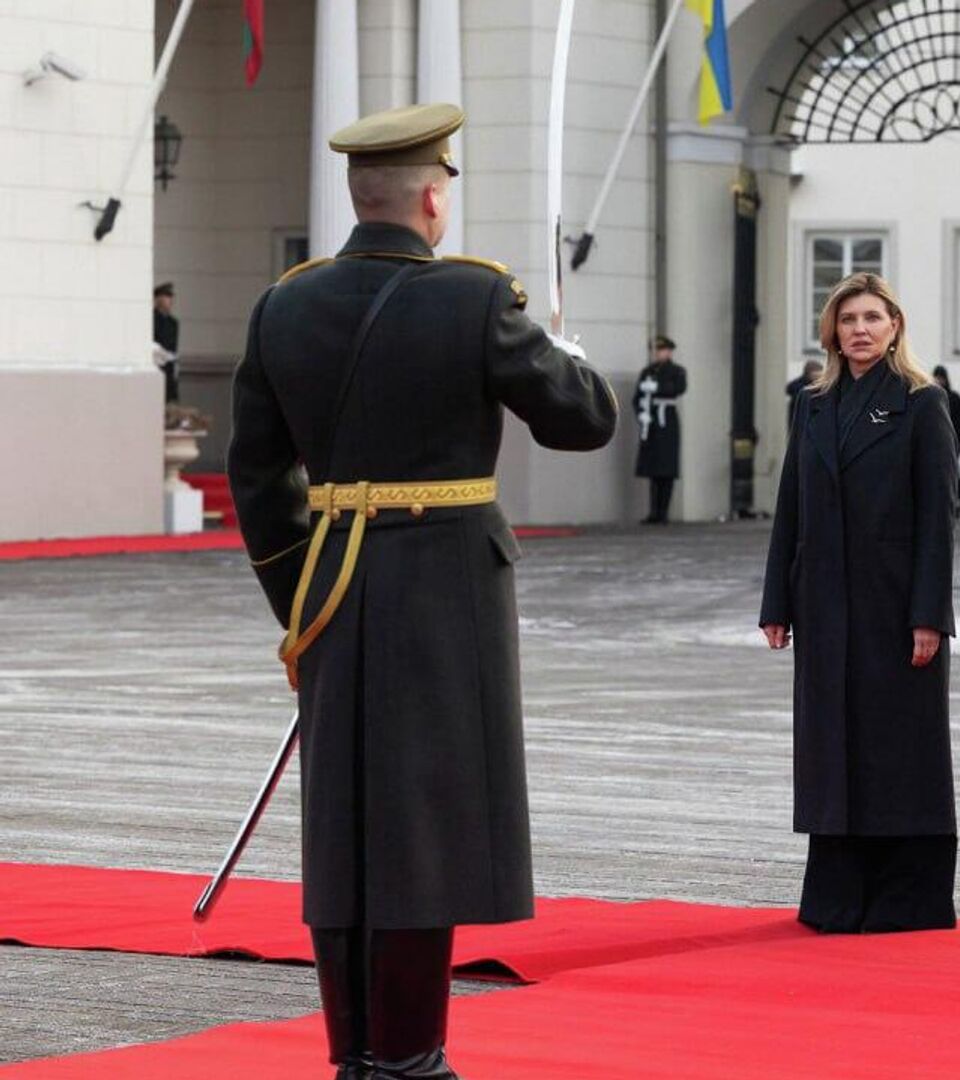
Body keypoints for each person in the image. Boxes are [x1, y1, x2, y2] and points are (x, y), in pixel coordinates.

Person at [227, 102, 618, 1080]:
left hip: (332, 591)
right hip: (446, 590)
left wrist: (302, 604)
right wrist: (557, 346)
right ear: (433, 198)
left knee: (346, 828)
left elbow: (257, 476)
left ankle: (355, 1051)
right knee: (427, 829)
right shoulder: (477, 300)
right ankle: (408, 1056)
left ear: (362, 198)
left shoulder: (286, 303)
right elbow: (585, 422)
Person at [758, 272, 960, 934]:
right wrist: (776, 601)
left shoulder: (920, 403)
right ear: (832, 331)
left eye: (873, 317)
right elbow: (790, 504)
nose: (861, 329)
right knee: (832, 745)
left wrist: (929, 615)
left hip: (894, 608)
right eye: (849, 320)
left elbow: (939, 518)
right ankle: (837, 895)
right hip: (823, 604)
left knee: (897, 748)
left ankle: (906, 898)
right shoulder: (812, 404)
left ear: (895, 325)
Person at [633, 336, 686, 524]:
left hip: (667, 421)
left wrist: (658, 387)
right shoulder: (647, 372)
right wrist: (641, 414)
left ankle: (663, 512)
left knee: (667, 469)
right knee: (654, 469)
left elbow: (678, 388)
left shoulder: (677, 371)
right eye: (657, 350)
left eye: (662, 350)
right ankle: (654, 511)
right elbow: (637, 397)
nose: (659, 353)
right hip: (652, 421)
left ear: (669, 351)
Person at [933, 365, 960, 511]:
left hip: (952, 438)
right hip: (940, 439)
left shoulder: (953, 398)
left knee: (951, 471)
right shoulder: (932, 396)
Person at [152, 282, 180, 405]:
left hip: (169, 370)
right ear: (158, 299)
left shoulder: (173, 323)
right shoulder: (151, 319)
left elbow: (173, 348)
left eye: (171, 297)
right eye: (167, 296)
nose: (170, 300)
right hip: (156, 366)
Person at [786, 358, 823, 423]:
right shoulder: (799, 387)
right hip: (801, 420)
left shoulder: (819, 386)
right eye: (815, 375)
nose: (817, 378)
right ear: (809, 374)